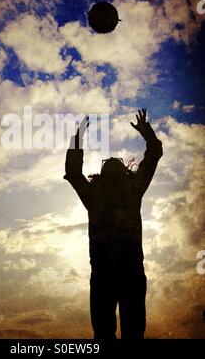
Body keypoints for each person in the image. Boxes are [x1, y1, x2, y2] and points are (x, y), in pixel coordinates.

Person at [64, 109, 163, 340]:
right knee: (125, 332)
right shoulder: (130, 189)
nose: (111, 162)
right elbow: (154, 154)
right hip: (122, 273)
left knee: (119, 332)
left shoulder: (99, 194)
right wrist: (146, 133)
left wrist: (77, 139)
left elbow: (73, 172)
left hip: (107, 275)